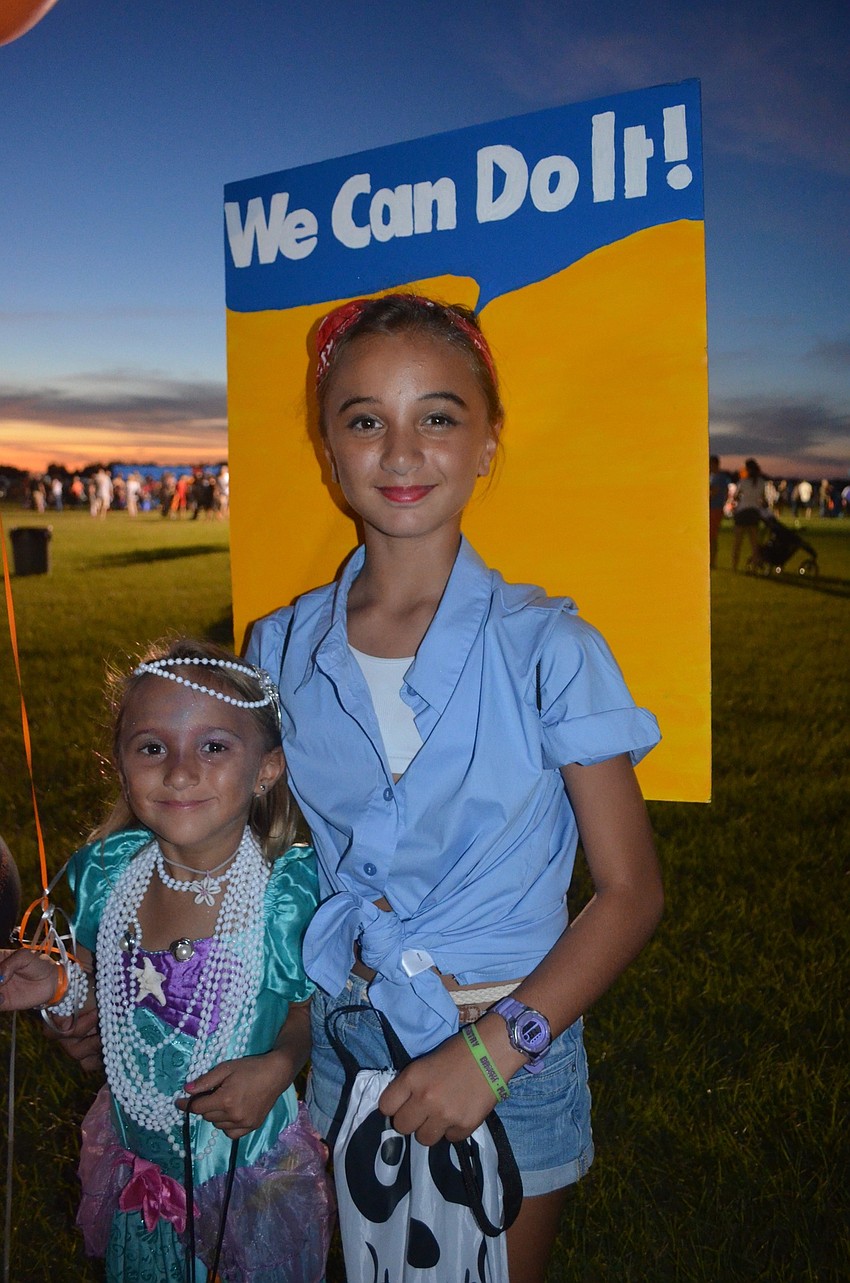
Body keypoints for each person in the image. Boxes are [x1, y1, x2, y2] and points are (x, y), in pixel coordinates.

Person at [247, 294, 664, 1283]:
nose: (401, 451)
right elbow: (252, 859)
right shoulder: (278, 646)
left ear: (487, 445)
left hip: (512, 1046)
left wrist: (492, 1053)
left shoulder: (551, 649)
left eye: (437, 416)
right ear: (327, 451)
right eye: (365, 420)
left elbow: (632, 891)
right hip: (348, 1041)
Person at [0, 639, 333, 1283]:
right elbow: (98, 989)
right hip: (140, 1172)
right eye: (152, 748)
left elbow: (305, 1009)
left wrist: (277, 1068)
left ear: (267, 768)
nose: (180, 773)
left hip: (245, 1172)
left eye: (214, 747)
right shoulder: (107, 878)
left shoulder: (284, 895)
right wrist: (60, 983)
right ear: (121, 764)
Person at [731, 456, 768, 571]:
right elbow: (763, 500)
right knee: (754, 543)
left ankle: (734, 566)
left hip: (742, 512)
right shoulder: (761, 482)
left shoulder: (743, 482)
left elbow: (735, 497)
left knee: (737, 542)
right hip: (754, 513)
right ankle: (755, 567)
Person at [708, 454, 727, 569]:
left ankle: (712, 561)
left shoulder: (718, 477)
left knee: (712, 536)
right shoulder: (714, 476)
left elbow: (714, 492)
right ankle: (711, 560)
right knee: (711, 536)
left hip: (715, 509)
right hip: (714, 508)